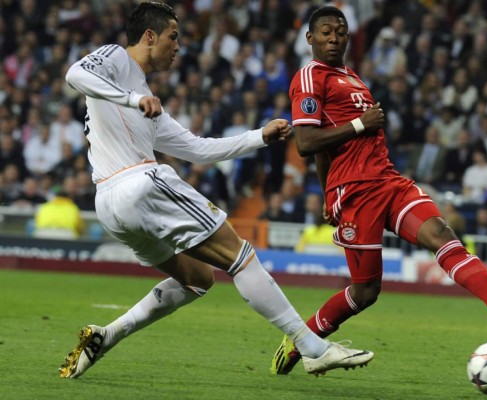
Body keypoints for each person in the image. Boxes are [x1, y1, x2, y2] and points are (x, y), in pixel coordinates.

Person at [58, 2, 373, 379]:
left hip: (111, 206)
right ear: (149, 36)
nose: (178, 46)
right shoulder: (116, 60)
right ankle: (313, 347)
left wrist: (260, 136)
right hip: (137, 183)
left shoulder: (145, 96)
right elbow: (75, 74)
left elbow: (196, 148)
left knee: (198, 278)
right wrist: (132, 99)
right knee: (240, 255)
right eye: (173, 37)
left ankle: (107, 335)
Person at [270, 5, 487, 375]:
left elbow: (325, 147)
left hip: (388, 182)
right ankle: (299, 341)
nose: (334, 37)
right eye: (325, 32)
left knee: (441, 232)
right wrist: (359, 127)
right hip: (356, 193)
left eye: (340, 31)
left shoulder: (353, 78)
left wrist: (327, 190)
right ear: (310, 38)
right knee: (366, 292)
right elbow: (306, 142)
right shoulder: (309, 77)